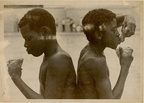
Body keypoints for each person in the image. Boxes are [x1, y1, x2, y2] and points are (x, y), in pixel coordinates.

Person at [7, 8, 76, 99]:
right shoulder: (50, 57)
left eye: (28, 39)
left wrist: (16, 77)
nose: (25, 45)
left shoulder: (59, 59)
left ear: (44, 32)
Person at [77, 9, 136, 99]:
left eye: (117, 28)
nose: (117, 33)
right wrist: (125, 66)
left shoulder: (90, 48)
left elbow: (112, 22)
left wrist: (128, 18)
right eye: (113, 30)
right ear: (98, 35)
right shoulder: (95, 61)